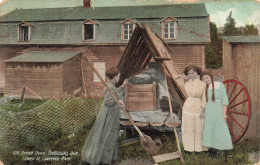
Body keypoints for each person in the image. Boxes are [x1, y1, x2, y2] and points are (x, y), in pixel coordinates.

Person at [81, 67, 128, 165]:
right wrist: (119, 102)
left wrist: (122, 86)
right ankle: (103, 160)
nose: (119, 78)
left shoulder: (112, 85)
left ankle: (107, 158)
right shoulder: (109, 86)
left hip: (112, 115)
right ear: (114, 76)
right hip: (109, 115)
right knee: (107, 136)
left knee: (110, 136)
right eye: (118, 76)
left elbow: (114, 94)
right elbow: (107, 102)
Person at [200, 71, 233, 160]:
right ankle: (213, 150)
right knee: (210, 130)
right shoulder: (205, 88)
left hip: (218, 109)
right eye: (203, 79)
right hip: (209, 110)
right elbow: (204, 101)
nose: (206, 80)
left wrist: (224, 113)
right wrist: (203, 112)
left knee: (221, 130)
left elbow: (224, 100)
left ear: (210, 76)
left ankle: (224, 149)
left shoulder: (219, 85)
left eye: (207, 77)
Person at [175, 65, 207, 152]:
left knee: (198, 127)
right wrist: (182, 76)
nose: (192, 75)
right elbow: (175, 78)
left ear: (197, 73)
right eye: (189, 73)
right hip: (188, 106)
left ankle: (199, 148)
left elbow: (204, 98)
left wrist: (203, 109)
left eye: (193, 73)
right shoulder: (187, 83)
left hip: (197, 106)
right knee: (189, 127)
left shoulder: (203, 84)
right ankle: (189, 148)